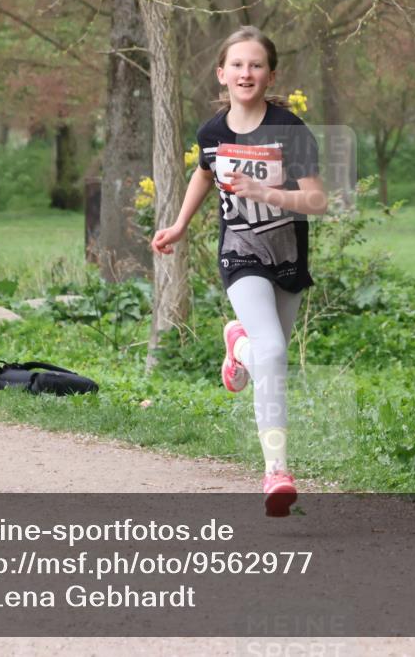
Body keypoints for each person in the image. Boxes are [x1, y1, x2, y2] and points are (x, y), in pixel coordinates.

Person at [151, 26, 327, 517]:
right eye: (238, 65)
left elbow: (317, 199)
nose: (246, 73)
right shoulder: (212, 133)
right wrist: (180, 224)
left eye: (256, 65)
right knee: (272, 351)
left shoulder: (289, 130)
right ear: (222, 74)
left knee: (268, 354)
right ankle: (277, 471)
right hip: (241, 251)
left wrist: (265, 193)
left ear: (270, 74)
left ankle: (238, 346)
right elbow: (204, 172)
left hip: (288, 255)